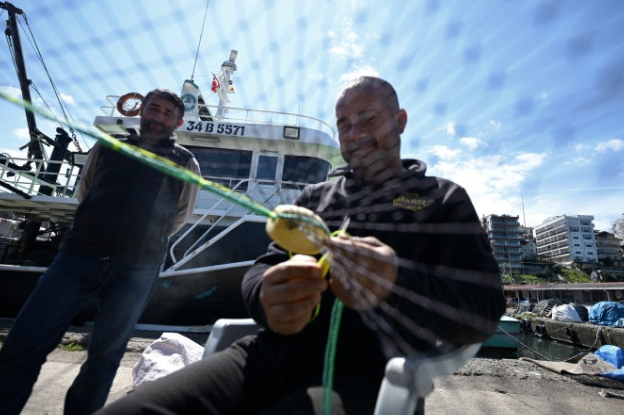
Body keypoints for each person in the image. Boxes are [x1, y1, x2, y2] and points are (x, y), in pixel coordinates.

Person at [97, 76, 504, 414]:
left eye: (368, 119)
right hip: (265, 356)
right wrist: (265, 294)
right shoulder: (313, 197)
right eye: (343, 123)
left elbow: (484, 308)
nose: (354, 133)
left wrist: (395, 282)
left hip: (371, 375)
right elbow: (260, 269)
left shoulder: (443, 199)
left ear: (399, 121)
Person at [0, 88, 200, 415]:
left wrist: (143, 241)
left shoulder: (185, 161)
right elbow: (87, 190)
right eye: (154, 108)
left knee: (105, 354)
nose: (159, 116)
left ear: (177, 122)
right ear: (141, 111)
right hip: (78, 255)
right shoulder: (108, 146)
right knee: (24, 342)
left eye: (168, 113)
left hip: (136, 267)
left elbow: (181, 213)